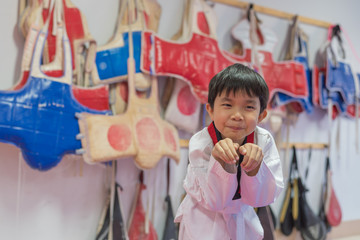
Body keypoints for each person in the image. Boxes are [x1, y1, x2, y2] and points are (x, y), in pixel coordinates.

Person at [174, 63, 284, 240]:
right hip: (203, 223)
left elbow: (262, 199)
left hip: (241, 219)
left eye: (248, 107)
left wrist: (255, 168)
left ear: (261, 115)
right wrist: (222, 165)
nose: (237, 115)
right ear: (210, 110)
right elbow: (215, 201)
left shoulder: (264, 141)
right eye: (227, 105)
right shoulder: (202, 143)